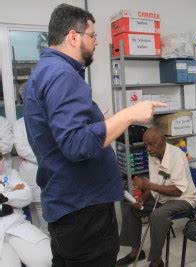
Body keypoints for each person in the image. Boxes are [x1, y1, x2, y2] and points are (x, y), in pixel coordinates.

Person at [23, 4, 165, 266]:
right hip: (83, 212)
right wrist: (129, 115)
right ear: (73, 37)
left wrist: (101, 120)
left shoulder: (43, 71)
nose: (97, 42)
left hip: (67, 206)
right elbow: (76, 144)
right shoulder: (62, 74)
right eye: (92, 35)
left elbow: (59, 132)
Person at [116, 127, 196, 267]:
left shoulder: (177, 155)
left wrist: (147, 185)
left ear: (163, 141)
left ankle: (156, 261)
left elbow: (178, 191)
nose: (148, 148)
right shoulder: (153, 155)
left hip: (183, 199)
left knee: (157, 216)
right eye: (146, 145)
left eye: (152, 144)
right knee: (130, 206)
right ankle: (136, 252)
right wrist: (142, 199)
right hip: (163, 197)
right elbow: (158, 183)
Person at [0, 150, 52, 265]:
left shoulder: (11, 174)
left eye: (0, 156)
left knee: (46, 259)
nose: (1, 161)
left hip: (16, 224)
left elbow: (27, 195)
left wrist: (5, 197)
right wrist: (13, 197)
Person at [13, 117, 48, 234]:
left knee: (50, 206)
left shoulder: (46, 119)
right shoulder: (19, 124)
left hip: (51, 170)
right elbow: (22, 150)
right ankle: (45, 236)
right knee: (39, 207)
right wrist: (46, 156)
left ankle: (49, 235)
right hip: (32, 171)